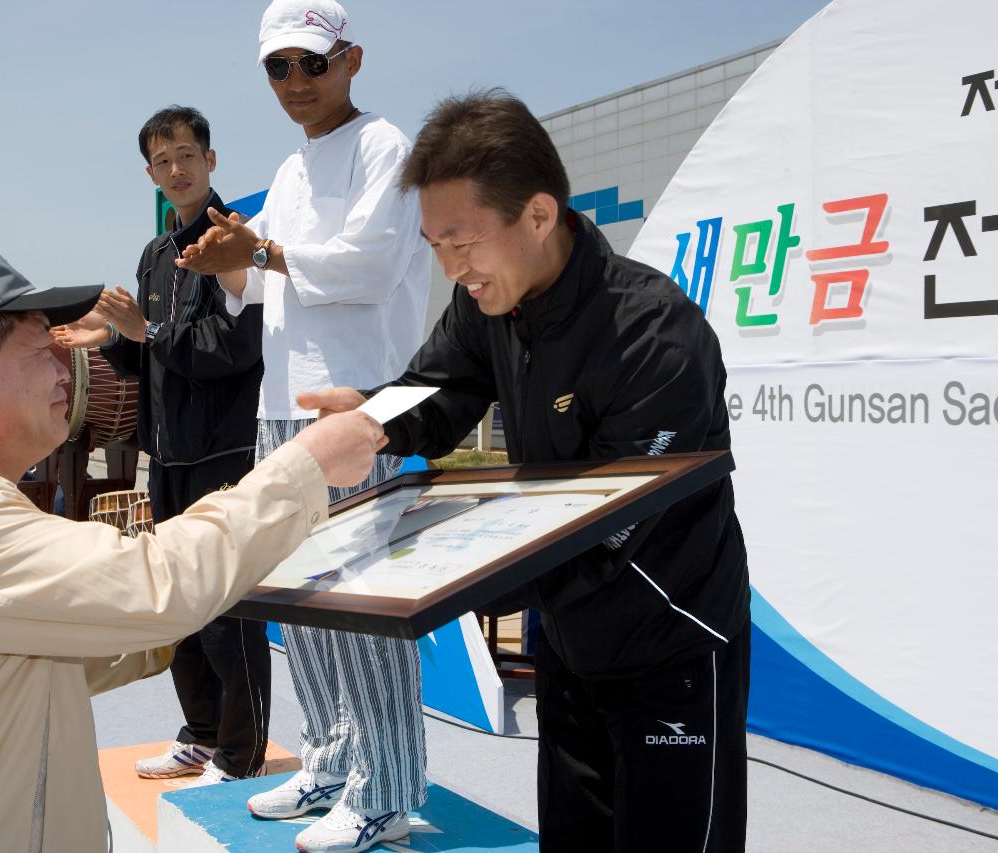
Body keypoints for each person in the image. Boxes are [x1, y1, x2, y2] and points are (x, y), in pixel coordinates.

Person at [0, 241, 386, 853]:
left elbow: (67, 639)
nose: (65, 370)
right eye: (41, 352)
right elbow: (152, 585)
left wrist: (199, 598)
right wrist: (306, 468)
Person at [300, 91, 752, 853]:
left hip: (671, 644)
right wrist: (372, 418)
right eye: (434, 244)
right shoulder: (489, 303)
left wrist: (436, 576)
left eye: (461, 240)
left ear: (539, 216)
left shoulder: (653, 335)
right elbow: (437, 390)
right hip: (571, 647)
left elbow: (609, 530)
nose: (449, 266)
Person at [175, 2, 431, 849]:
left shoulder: (386, 147)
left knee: (360, 602)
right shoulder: (290, 168)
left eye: (310, 64)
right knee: (303, 599)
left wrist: (258, 253)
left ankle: (389, 789)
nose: (294, 83)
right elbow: (263, 283)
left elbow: (371, 265)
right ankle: (329, 762)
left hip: (355, 407)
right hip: (279, 405)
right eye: (277, 68)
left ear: (350, 59)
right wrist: (231, 264)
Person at [56, 106, 271, 786]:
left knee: (228, 608)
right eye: (162, 160)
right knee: (177, 603)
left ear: (212, 159)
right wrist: (112, 339)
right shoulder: (154, 253)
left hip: (224, 450)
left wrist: (146, 335)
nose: (175, 169)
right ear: (149, 173)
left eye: (186, 154)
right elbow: (151, 355)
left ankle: (240, 753)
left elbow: (238, 347)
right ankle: (201, 734)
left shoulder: (234, 238)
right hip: (168, 451)